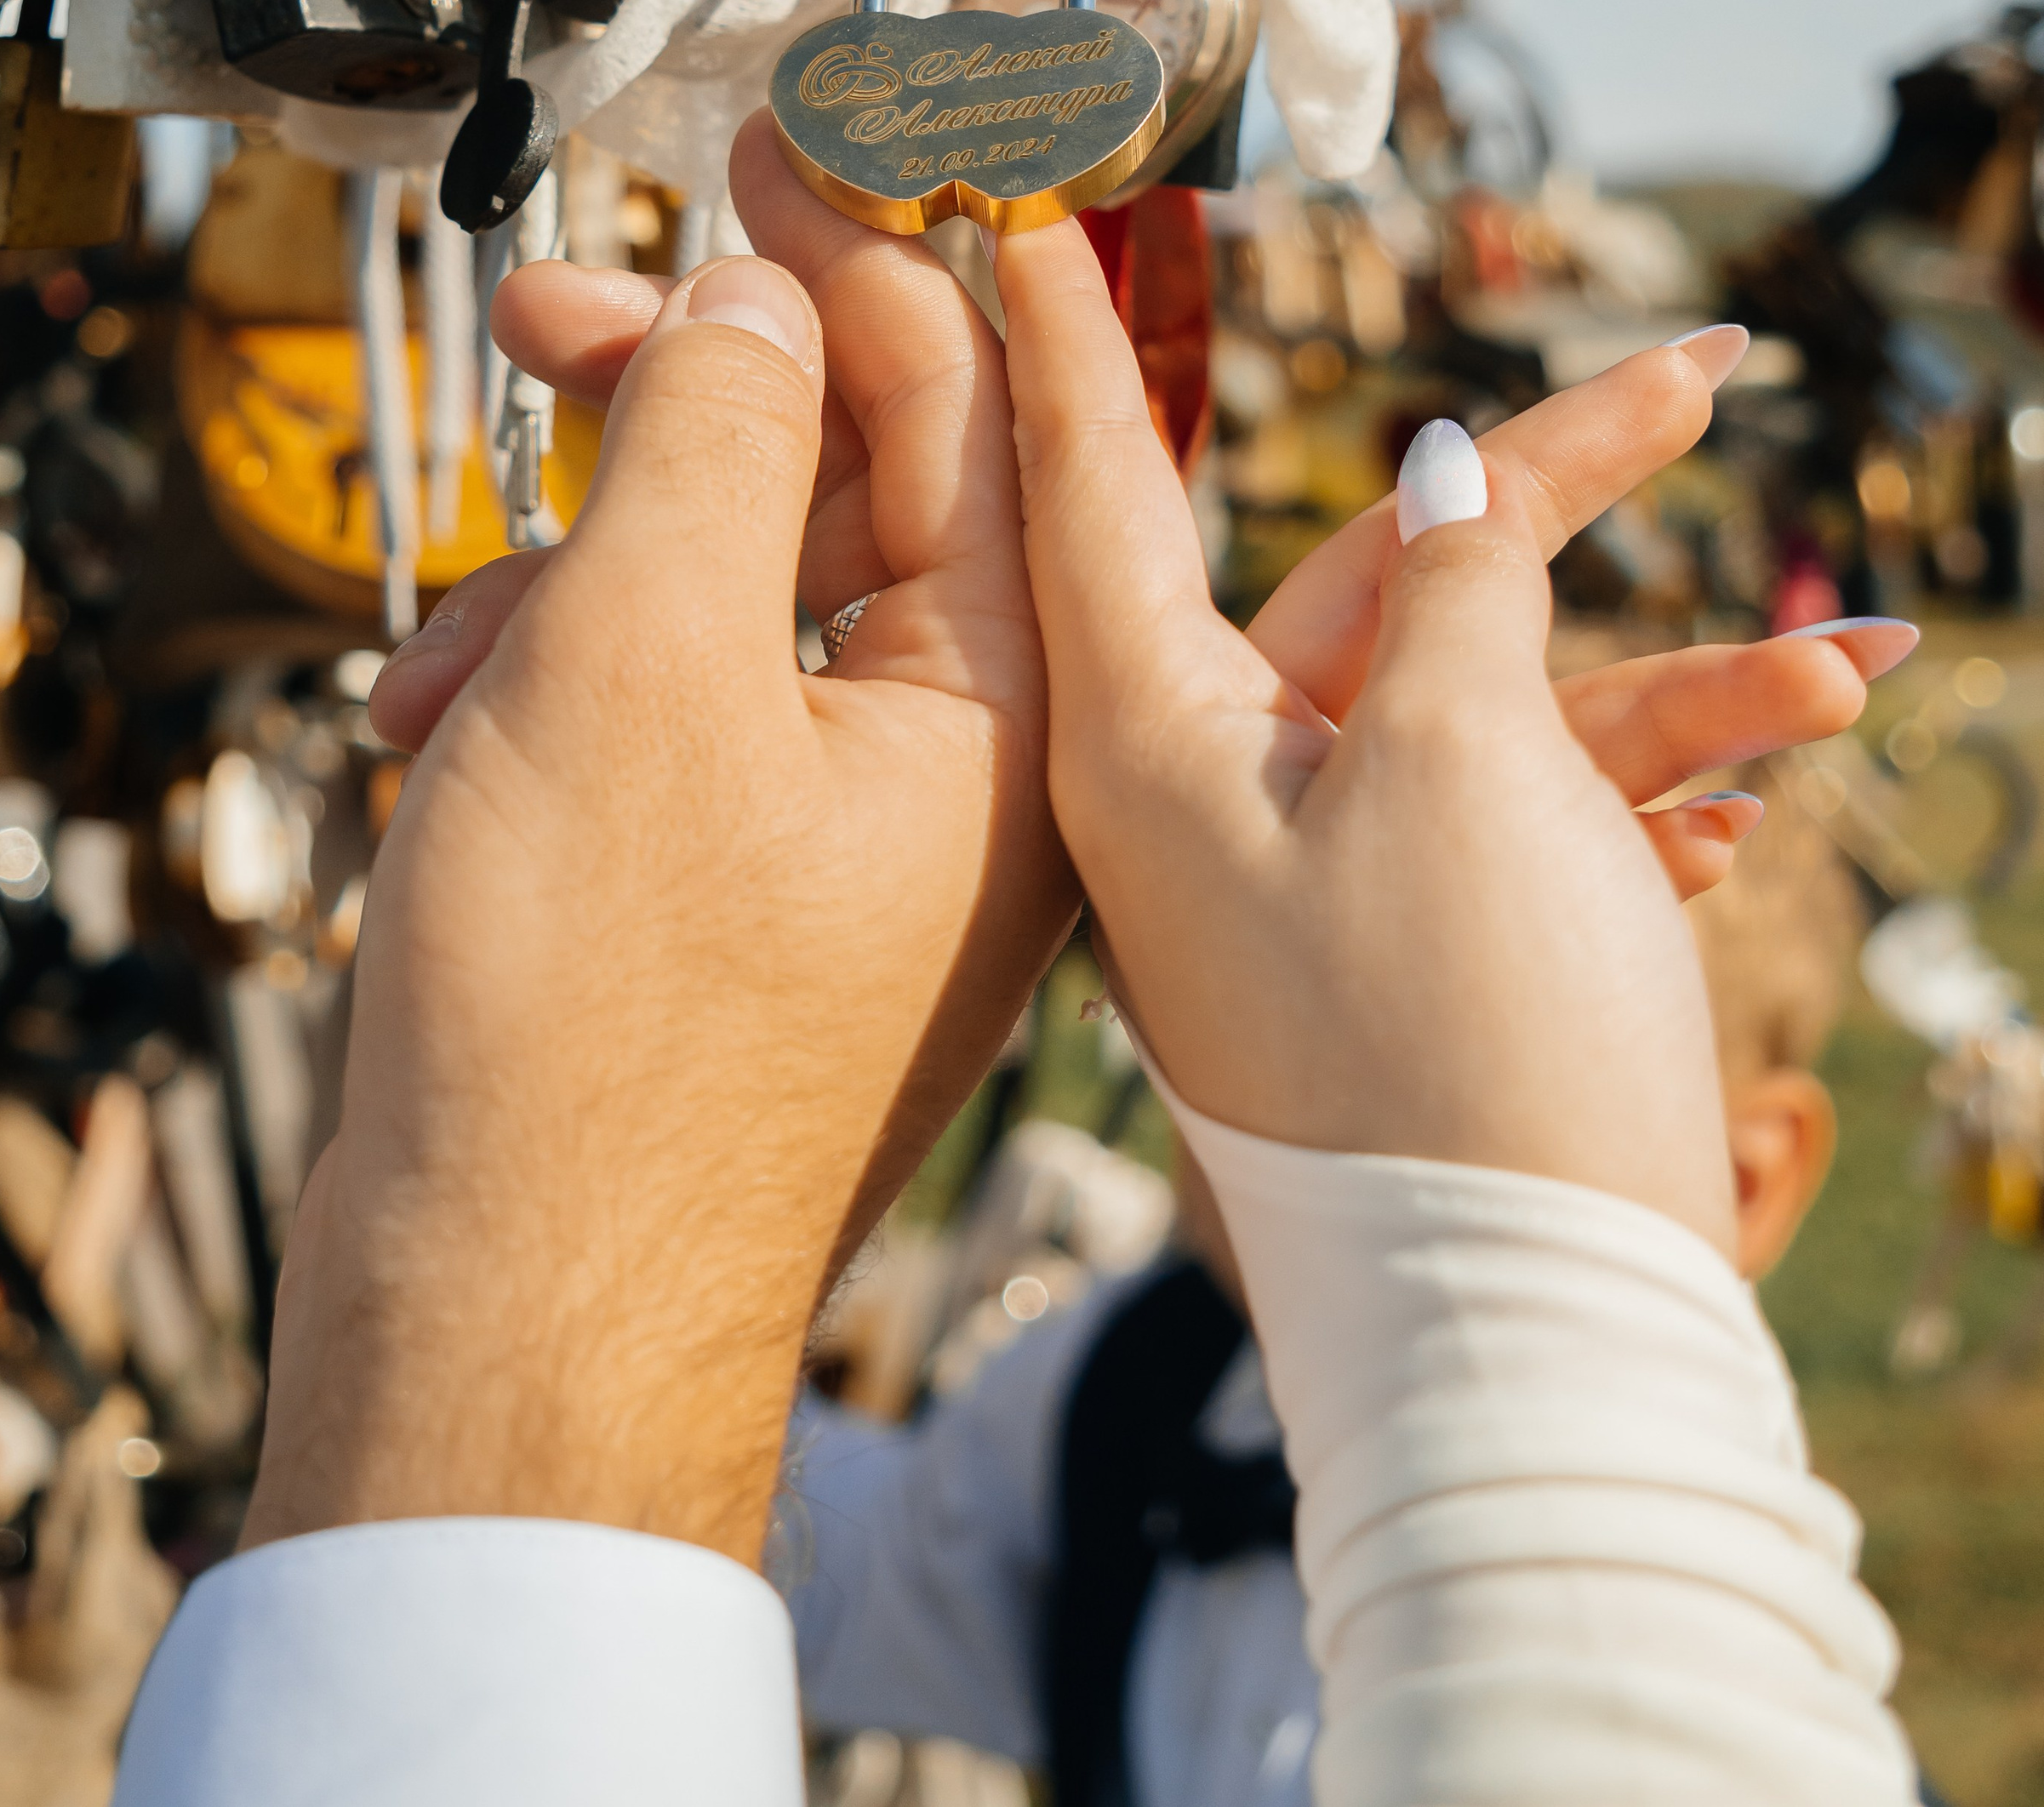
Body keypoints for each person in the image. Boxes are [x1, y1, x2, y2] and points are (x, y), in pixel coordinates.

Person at [110, 118, 1923, 1805]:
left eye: (1463, 949)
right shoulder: (1122, 1400)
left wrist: (548, 1249)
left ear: (1759, 1168)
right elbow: (858, 1579)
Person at [776, 738, 1893, 1807]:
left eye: (1465, 1039)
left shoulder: (1713, 1645)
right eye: (1267, 979)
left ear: (1739, 1182)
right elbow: (856, 1588)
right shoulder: (1134, 1377)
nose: (1298, 1094)